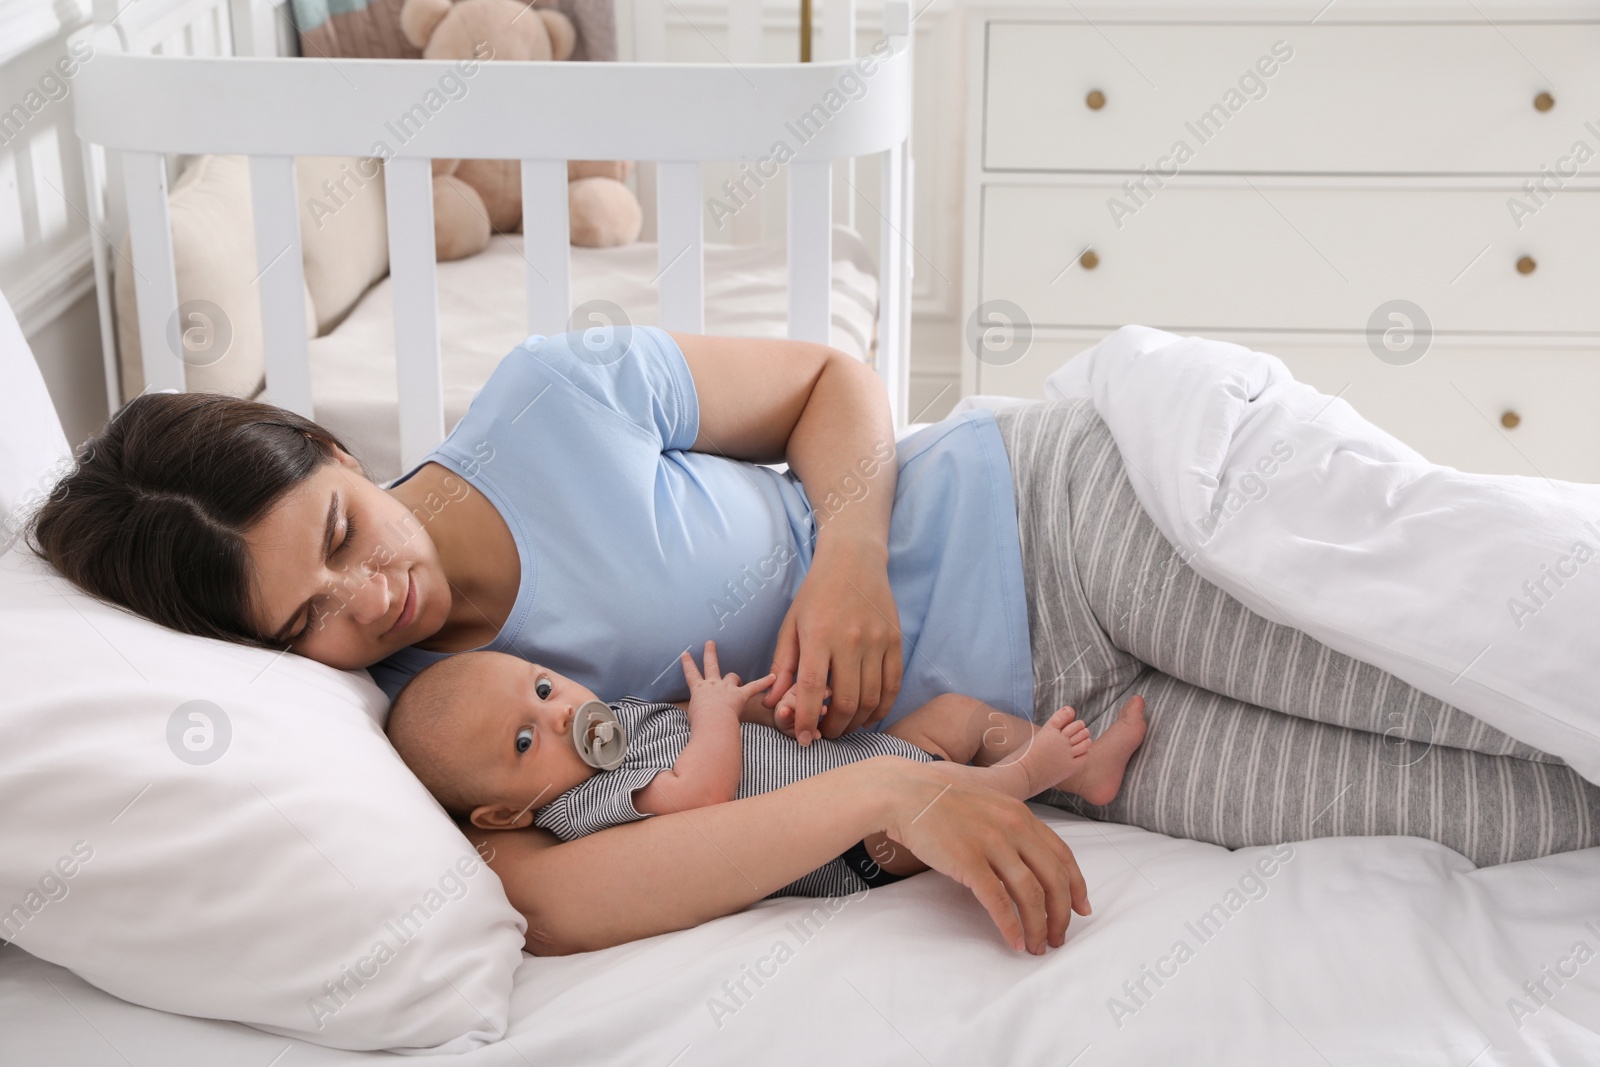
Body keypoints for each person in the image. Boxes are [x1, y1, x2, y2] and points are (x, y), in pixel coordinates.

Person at [30, 326, 1600, 956]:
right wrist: (880, 793)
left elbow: (828, 384)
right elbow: (559, 899)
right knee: (1516, 813)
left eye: (337, 535)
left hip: (1064, 515)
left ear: (333, 448)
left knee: (1507, 653)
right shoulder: (431, 721)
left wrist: (849, 550)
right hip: (1044, 746)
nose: (362, 601)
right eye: (301, 619)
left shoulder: (549, 402)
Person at [384, 639, 1149, 898]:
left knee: (952, 716)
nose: (557, 716)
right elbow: (702, 793)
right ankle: (1028, 776)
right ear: (502, 815)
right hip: (858, 845)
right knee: (943, 794)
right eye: (525, 741)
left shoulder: (617, 722)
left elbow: (722, 745)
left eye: (545, 688)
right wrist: (714, 718)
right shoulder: (581, 809)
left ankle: (1089, 778)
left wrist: (760, 712)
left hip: (860, 762)